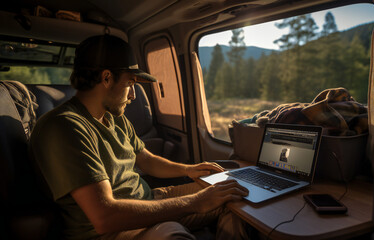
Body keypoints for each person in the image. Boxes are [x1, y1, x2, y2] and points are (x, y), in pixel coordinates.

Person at [30, 34, 249, 240]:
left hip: (150, 199)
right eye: (131, 83)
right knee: (176, 232)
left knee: (233, 194)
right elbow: (105, 216)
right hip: (113, 230)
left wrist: (187, 170)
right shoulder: (65, 127)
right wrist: (195, 202)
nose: (134, 95)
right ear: (107, 78)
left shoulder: (114, 116)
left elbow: (145, 159)